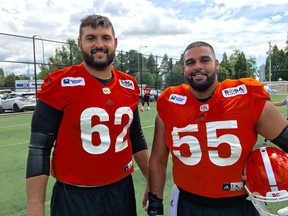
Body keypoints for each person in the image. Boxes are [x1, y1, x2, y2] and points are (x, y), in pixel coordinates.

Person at [26, 14, 149, 216]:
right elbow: (39, 148)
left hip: (122, 190)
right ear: (79, 43)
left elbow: (136, 138)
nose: (99, 44)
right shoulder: (60, 83)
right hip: (74, 195)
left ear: (115, 42)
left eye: (105, 38)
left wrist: (151, 181)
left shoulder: (129, 85)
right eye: (91, 38)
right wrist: (35, 208)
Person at [147, 41, 288, 216]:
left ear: (216, 64)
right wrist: (155, 203)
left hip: (238, 205)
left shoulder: (245, 97)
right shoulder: (170, 103)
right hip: (187, 204)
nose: (197, 66)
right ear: (184, 69)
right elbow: (158, 160)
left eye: (204, 60)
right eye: (190, 62)